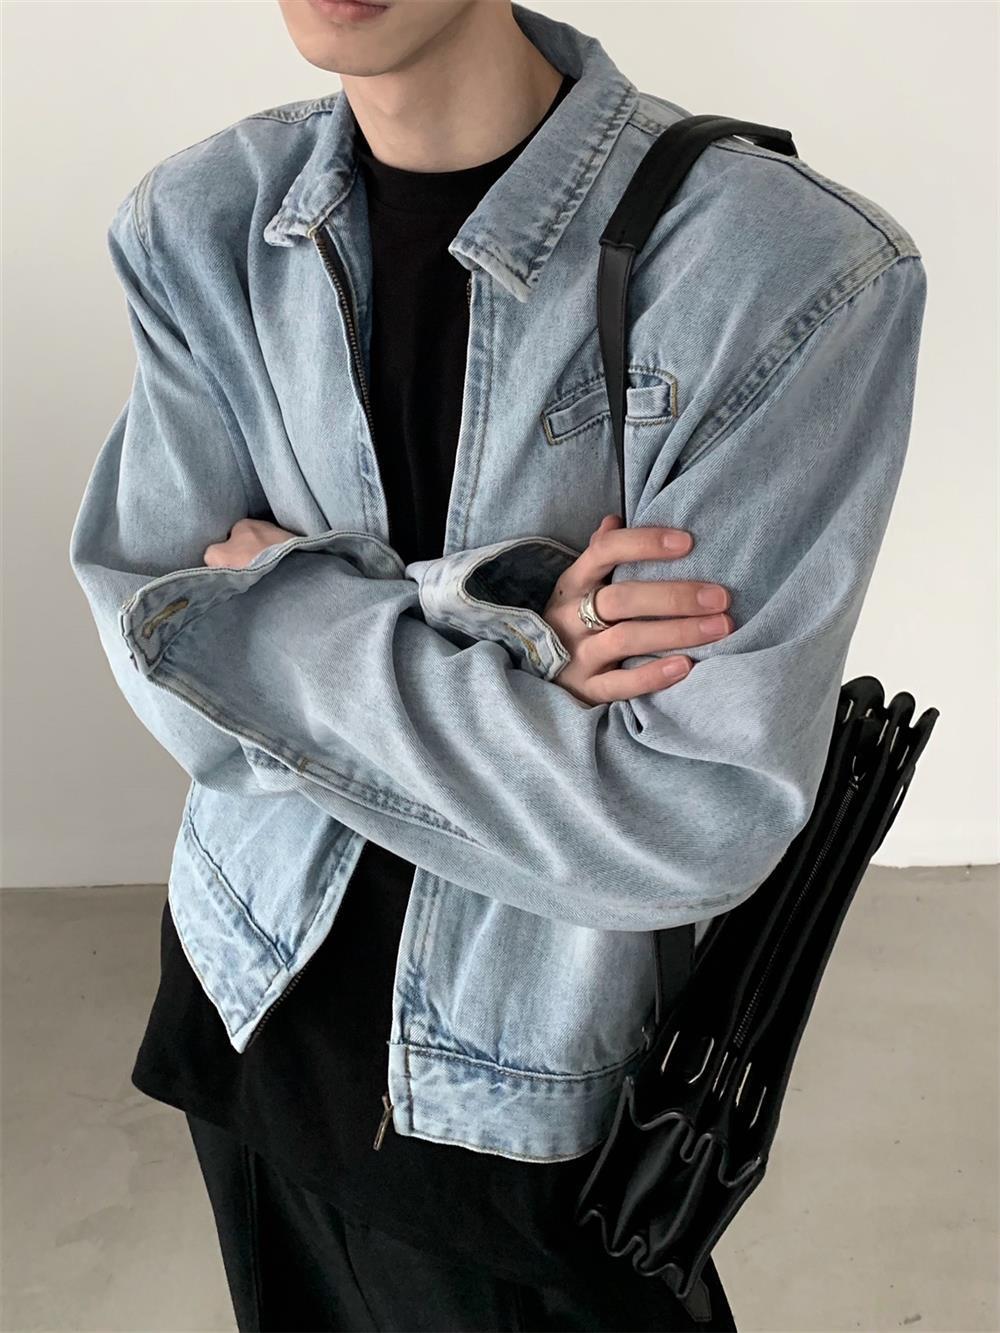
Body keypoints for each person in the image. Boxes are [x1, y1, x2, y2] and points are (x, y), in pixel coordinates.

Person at [69, 1, 927, 1329]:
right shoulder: (201, 222)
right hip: (247, 1001)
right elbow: (163, 649)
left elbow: (685, 813)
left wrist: (274, 609)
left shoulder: (789, 269)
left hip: (530, 1103)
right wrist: (509, 624)